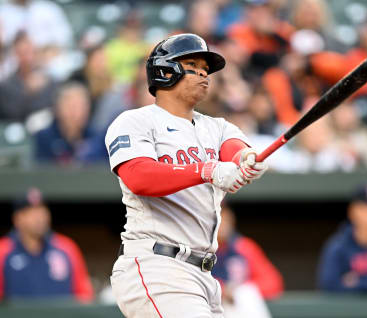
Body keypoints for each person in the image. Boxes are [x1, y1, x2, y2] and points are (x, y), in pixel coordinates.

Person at [106, 33, 268, 318]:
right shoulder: (135, 121)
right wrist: (208, 170)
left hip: (205, 274)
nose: (204, 73)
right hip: (157, 264)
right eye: (193, 64)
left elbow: (236, 152)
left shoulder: (218, 127)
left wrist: (246, 161)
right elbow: (139, 177)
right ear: (165, 70)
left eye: (206, 68)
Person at [0, 187, 94, 302]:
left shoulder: (66, 247)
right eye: (31, 212)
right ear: (17, 218)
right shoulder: (3, 250)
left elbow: (84, 296)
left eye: (42, 210)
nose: (39, 217)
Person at [213, 204, 283, 318]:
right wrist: (221, 290)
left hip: (238, 306)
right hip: (208, 304)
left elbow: (273, 283)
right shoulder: (197, 250)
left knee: (246, 293)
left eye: (226, 219)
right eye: (219, 219)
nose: (223, 225)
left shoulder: (243, 247)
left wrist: (237, 291)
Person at [34, 82, 107, 164]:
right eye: (71, 107)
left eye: (82, 107)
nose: (77, 113)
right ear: (58, 109)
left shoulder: (97, 137)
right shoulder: (44, 138)